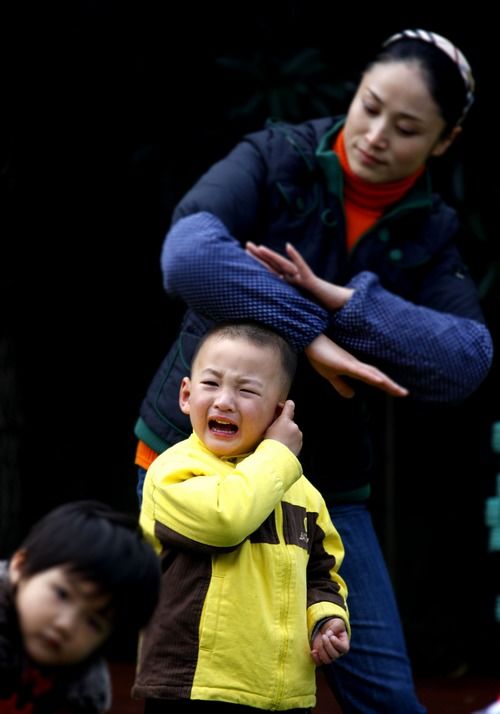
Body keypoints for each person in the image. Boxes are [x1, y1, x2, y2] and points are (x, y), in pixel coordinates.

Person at [134, 28, 494, 714]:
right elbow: (188, 255)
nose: (376, 134)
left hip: (320, 477)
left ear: (444, 142)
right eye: (370, 106)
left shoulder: (430, 228)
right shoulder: (278, 157)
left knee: (385, 696)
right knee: (197, 678)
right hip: (197, 454)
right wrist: (314, 336)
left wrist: (345, 303)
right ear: (355, 92)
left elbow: (465, 360)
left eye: (408, 126)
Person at [132, 321, 350, 712]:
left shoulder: (302, 492)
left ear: (279, 412)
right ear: (185, 394)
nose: (224, 402)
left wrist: (326, 619)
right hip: (193, 687)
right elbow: (227, 519)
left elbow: (323, 571)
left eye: (247, 390)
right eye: (210, 384)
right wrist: (278, 454)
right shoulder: (173, 470)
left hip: (281, 691)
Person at [0, 499, 161, 713]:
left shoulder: (85, 694)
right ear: (20, 566)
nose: (66, 625)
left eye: (94, 622)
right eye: (62, 594)